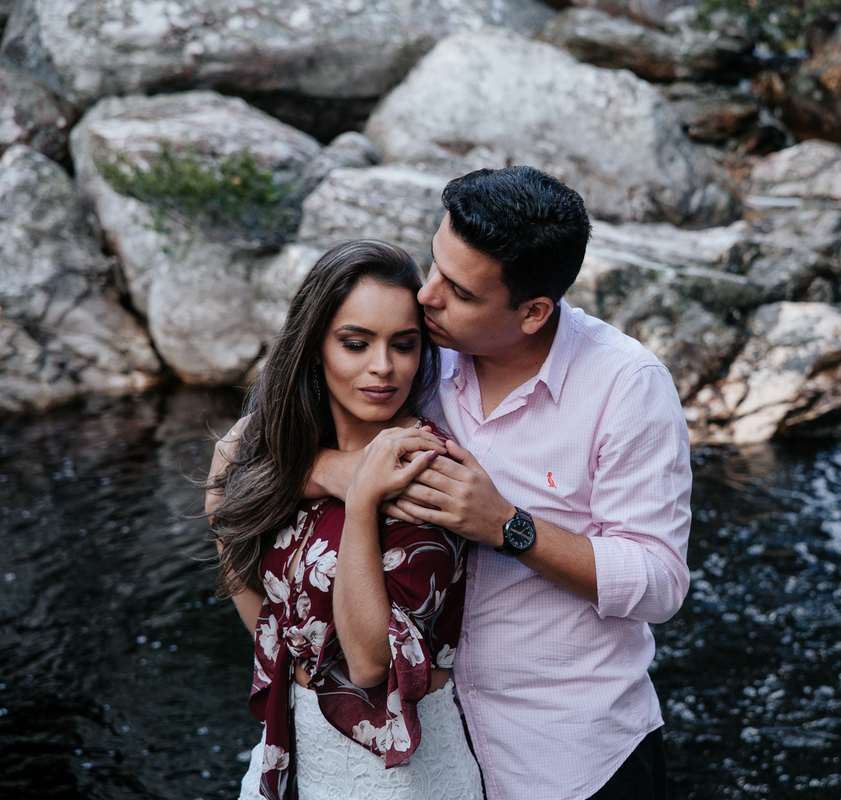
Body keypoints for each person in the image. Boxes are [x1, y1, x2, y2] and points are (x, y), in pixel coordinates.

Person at [307, 166, 693, 800]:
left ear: (534, 311)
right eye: (433, 266)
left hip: (578, 760)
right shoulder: (414, 350)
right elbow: (248, 451)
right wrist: (344, 474)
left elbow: (659, 583)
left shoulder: (627, 386)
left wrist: (507, 527)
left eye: (457, 291)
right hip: (432, 757)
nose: (426, 295)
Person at [205, 240, 484, 800]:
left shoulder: (428, 471)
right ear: (315, 348)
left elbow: (368, 664)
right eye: (356, 344)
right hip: (292, 743)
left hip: (397, 774)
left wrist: (360, 505)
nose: (382, 367)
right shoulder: (276, 444)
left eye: (404, 346)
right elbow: (230, 517)